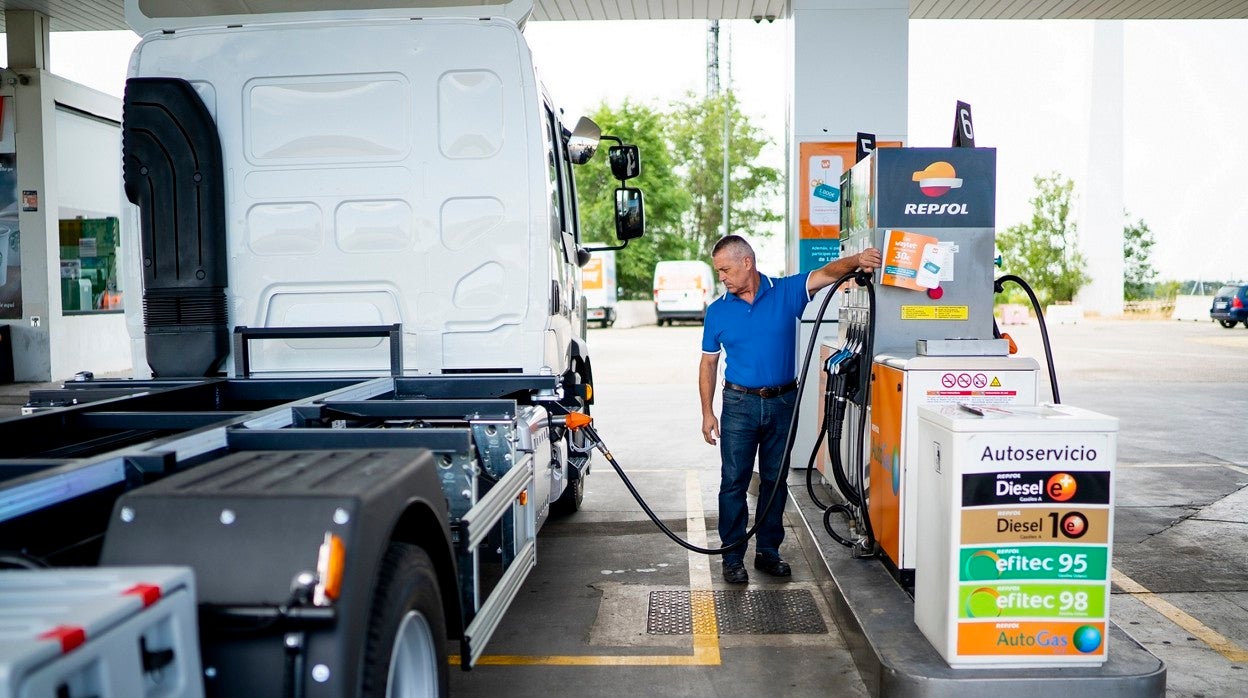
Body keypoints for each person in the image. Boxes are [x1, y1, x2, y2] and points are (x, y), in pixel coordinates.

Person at [699, 235, 881, 584]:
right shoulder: (718, 310)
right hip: (738, 404)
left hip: (784, 402)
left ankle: (768, 552)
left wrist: (858, 259)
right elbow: (708, 364)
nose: (722, 277)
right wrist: (708, 413)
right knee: (733, 481)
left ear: (746, 263)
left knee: (775, 480)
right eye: (719, 271)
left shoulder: (786, 292)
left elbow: (827, 273)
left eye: (725, 269)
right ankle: (732, 557)